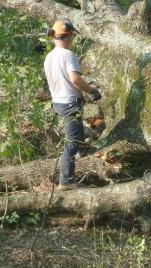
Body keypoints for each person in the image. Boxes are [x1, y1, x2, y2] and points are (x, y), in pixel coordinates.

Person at [44, 18, 102, 191]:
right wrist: (91, 90)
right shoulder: (69, 55)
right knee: (72, 141)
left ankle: (82, 151)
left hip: (58, 102)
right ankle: (66, 181)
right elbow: (75, 79)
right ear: (69, 36)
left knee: (75, 133)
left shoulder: (49, 57)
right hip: (70, 103)